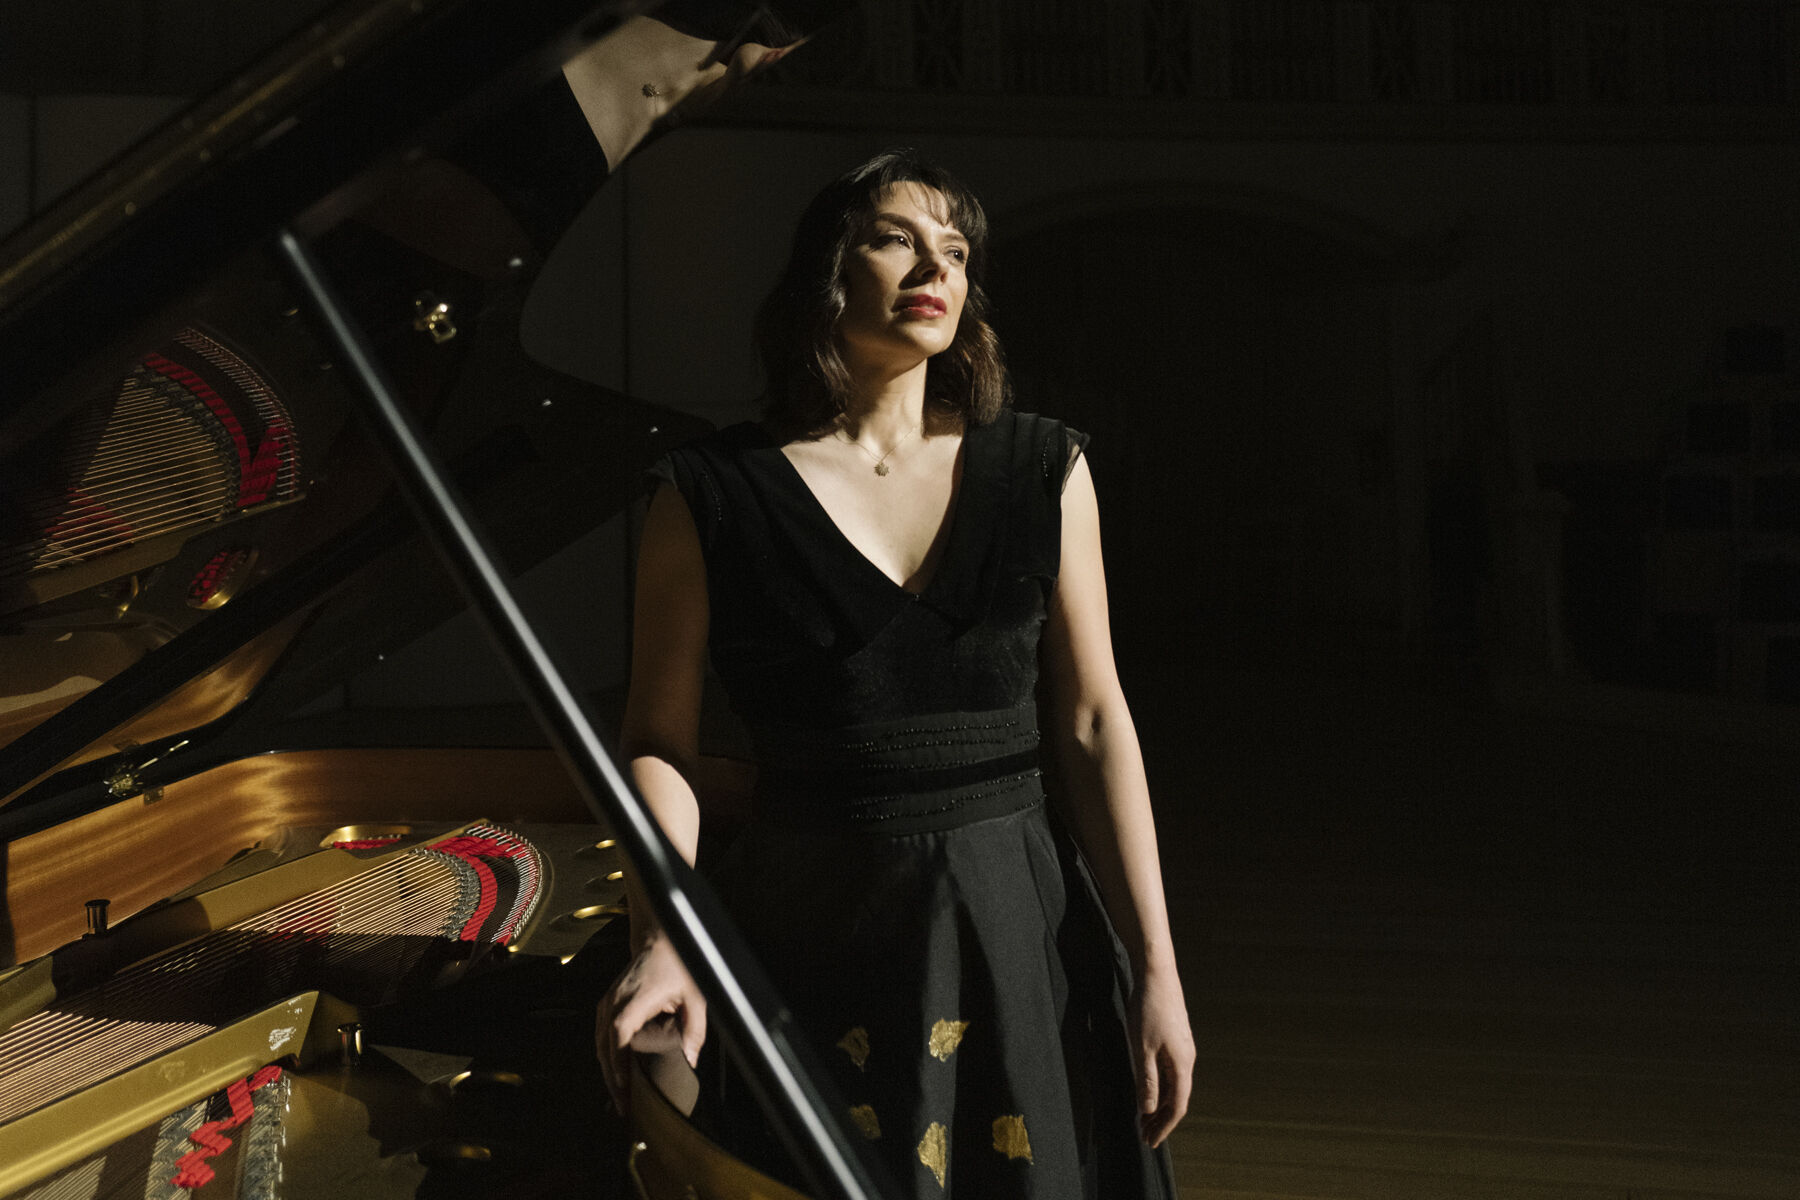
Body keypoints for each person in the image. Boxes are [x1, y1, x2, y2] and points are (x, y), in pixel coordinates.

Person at [597, 149, 1193, 1198]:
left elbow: (1096, 722)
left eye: (956, 252)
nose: (935, 268)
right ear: (828, 272)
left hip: (1013, 919)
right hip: (810, 921)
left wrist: (1158, 969)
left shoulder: (1045, 469)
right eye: (895, 239)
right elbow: (659, 745)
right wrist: (666, 934)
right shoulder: (709, 493)